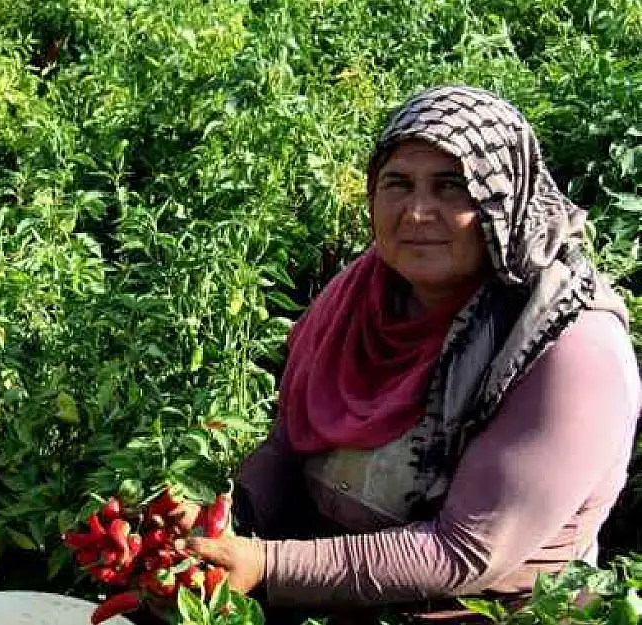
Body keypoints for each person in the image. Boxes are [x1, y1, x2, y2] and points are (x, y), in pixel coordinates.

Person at [184, 86, 641, 621]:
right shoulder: (363, 293)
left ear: (503, 201)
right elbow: (295, 436)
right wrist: (227, 518)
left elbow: (466, 552)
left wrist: (268, 565)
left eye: (451, 187)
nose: (418, 212)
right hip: (339, 594)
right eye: (398, 184)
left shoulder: (569, 346)